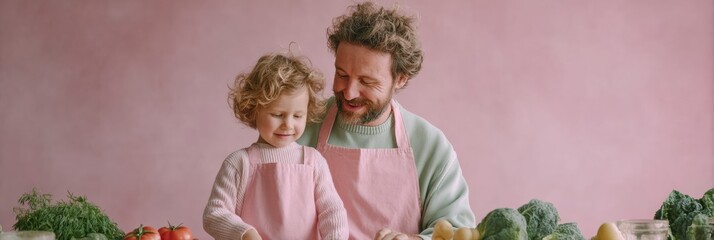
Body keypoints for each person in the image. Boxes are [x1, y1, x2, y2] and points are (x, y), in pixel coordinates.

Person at [296, 2, 476, 240]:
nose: (349, 92)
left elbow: (458, 232)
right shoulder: (299, 128)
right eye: (341, 75)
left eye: (367, 82)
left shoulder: (430, 146)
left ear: (400, 78)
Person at [203, 52, 348, 240]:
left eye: (297, 116)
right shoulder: (238, 163)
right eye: (278, 114)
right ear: (254, 108)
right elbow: (214, 213)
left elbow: (332, 211)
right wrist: (245, 234)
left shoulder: (313, 162)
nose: (288, 124)